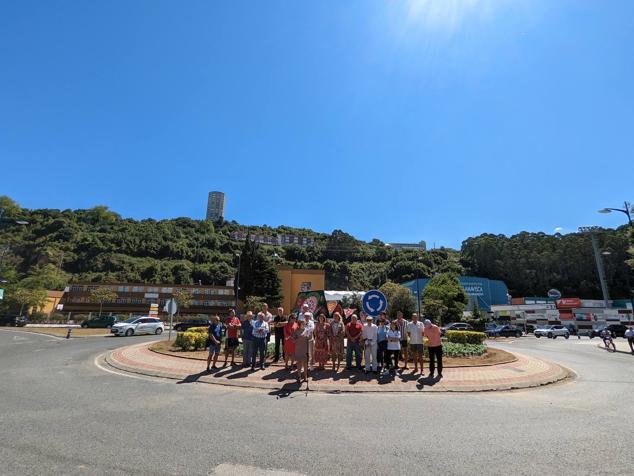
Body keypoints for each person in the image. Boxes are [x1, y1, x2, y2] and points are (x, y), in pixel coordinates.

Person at [292, 315, 310, 382]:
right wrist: (297, 338)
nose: (303, 325)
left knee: (305, 364)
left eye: (304, 324)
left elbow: (310, 339)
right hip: (298, 350)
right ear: (299, 324)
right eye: (302, 323)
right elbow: (293, 340)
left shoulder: (307, 331)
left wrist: (308, 337)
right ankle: (299, 376)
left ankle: (305, 377)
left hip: (305, 350)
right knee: (299, 363)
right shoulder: (296, 331)